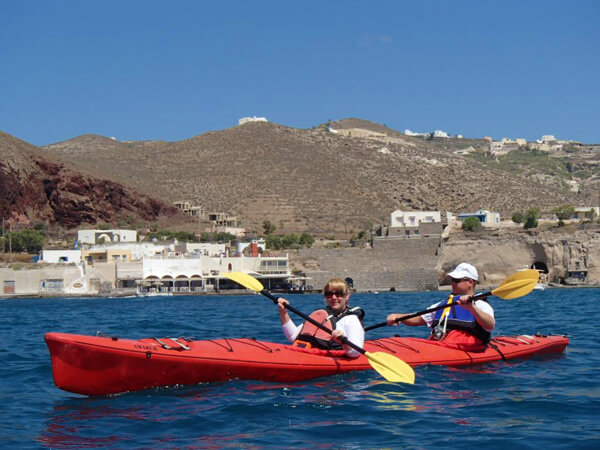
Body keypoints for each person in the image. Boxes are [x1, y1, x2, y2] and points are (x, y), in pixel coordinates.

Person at [386, 263, 495, 349]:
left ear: (470, 282)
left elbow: (490, 325)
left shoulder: (480, 304)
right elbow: (419, 319)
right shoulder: (444, 304)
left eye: (456, 281)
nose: (452, 283)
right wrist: (399, 316)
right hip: (440, 344)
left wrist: (471, 308)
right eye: (452, 280)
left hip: (466, 348)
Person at [277, 278, 365, 358]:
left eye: (338, 294)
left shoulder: (351, 319)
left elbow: (355, 353)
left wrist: (343, 340)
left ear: (347, 296)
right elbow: (293, 336)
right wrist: (283, 311)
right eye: (329, 294)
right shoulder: (320, 314)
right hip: (307, 355)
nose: (334, 298)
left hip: (330, 360)